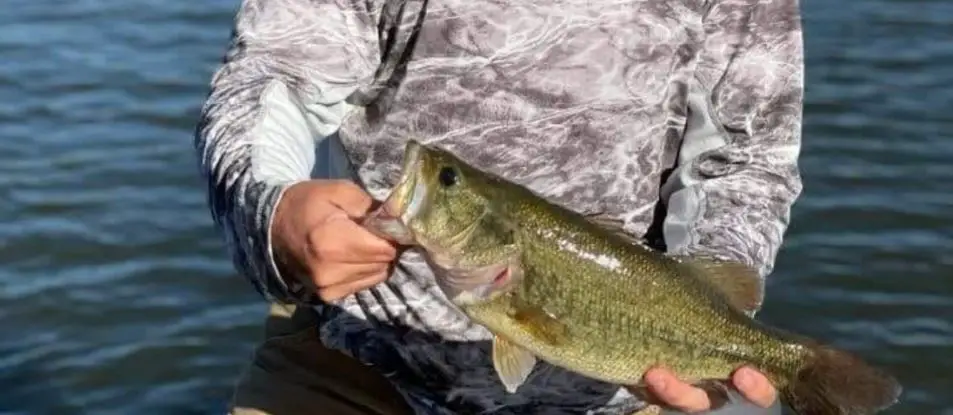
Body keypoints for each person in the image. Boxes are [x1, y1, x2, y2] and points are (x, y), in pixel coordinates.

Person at [194, 0, 803, 413]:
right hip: (351, 364)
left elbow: (746, 156)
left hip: (632, 396)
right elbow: (272, 76)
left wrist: (703, 321)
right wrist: (269, 217)